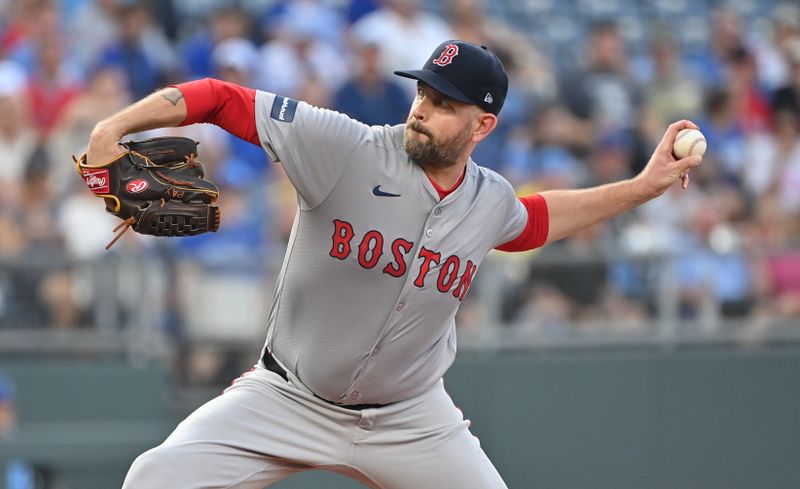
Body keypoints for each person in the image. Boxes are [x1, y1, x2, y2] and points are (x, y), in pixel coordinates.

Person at [86, 40, 702, 489]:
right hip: (289, 398)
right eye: (424, 93)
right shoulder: (345, 147)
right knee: (155, 477)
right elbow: (220, 99)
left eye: (445, 104)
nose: (423, 109)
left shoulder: (487, 200)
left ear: (482, 125)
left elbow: (533, 221)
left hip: (411, 418)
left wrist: (643, 188)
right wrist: (115, 125)